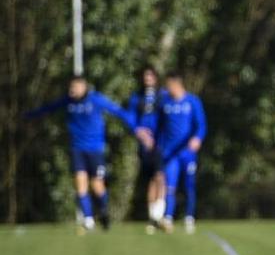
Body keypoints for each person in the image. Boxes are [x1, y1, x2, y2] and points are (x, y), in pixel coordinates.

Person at [25, 75, 150, 232]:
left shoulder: (96, 100)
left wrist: (136, 129)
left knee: (97, 185)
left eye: (75, 87)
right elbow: (48, 108)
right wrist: (28, 115)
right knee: (80, 183)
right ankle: (89, 219)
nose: (72, 90)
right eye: (71, 88)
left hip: (96, 150)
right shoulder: (68, 101)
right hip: (77, 149)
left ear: (84, 87)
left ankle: (104, 212)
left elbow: (118, 112)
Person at [141, 71, 206, 234]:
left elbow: (201, 125)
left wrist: (197, 138)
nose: (168, 89)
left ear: (177, 84)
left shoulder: (192, 101)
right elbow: (159, 125)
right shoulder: (165, 103)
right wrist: (153, 141)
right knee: (169, 185)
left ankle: (189, 217)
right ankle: (168, 217)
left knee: (189, 184)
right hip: (170, 153)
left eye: (170, 85)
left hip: (187, 152)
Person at [127, 65, 166, 232]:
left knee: (160, 176)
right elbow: (130, 119)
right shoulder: (136, 98)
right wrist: (139, 132)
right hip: (144, 145)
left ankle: (158, 214)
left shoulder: (163, 96)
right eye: (145, 76)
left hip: (160, 143)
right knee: (151, 178)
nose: (147, 79)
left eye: (151, 76)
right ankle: (153, 217)